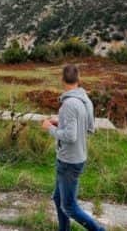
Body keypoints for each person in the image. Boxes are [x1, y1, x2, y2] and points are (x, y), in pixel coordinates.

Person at [41, 64, 105, 231]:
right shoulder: (86, 100)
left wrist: (50, 128)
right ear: (78, 79)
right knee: (57, 198)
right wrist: (61, 122)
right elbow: (90, 128)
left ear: (62, 80)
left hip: (69, 160)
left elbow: (70, 136)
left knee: (69, 206)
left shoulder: (69, 104)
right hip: (77, 157)